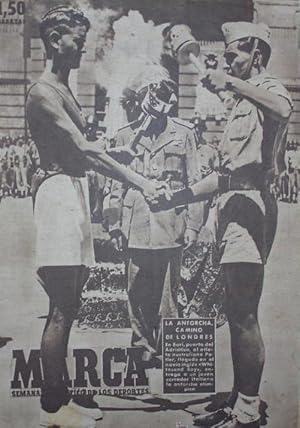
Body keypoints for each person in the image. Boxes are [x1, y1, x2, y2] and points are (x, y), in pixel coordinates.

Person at [25, 6, 168, 428]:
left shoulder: (65, 89)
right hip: (57, 197)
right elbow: (85, 152)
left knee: (70, 303)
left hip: (73, 192)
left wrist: (119, 154)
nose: (83, 44)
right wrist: (140, 181)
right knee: (61, 308)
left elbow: (86, 153)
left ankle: (63, 397)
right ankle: (54, 408)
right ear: (55, 40)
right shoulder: (42, 91)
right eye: (76, 36)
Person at [152, 22, 292, 428]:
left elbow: (285, 109)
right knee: (234, 309)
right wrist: (176, 198)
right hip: (231, 204)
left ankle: (247, 409)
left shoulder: (269, 91)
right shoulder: (243, 104)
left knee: (245, 312)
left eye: (234, 56)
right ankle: (238, 396)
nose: (226, 61)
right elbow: (225, 175)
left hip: (250, 210)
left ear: (257, 55)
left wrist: (229, 81)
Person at [107, 76, 203, 363]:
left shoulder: (183, 134)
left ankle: (170, 349)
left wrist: (194, 226)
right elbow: (115, 186)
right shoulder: (126, 135)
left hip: (169, 223)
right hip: (134, 222)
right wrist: (114, 225)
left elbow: (194, 181)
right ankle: (142, 348)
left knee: (168, 295)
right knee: (136, 289)